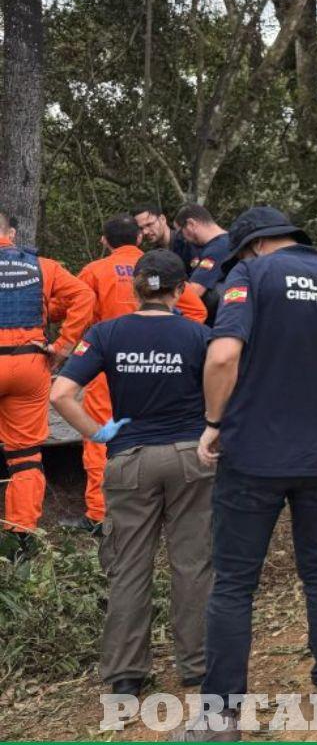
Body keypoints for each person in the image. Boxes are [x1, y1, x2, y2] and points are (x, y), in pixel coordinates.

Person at [176, 207, 317, 741]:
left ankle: (220, 718)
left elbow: (222, 358)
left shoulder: (250, 276)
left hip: (255, 455)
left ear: (251, 247)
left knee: (235, 584)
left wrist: (213, 422)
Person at [51, 250, 214, 697]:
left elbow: (62, 393)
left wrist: (98, 434)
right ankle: (197, 667)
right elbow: (227, 382)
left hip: (130, 459)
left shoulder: (107, 333)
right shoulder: (199, 336)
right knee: (193, 563)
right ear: (181, 291)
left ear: (133, 288)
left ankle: (125, 676)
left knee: (128, 567)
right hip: (190, 457)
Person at [69, 216, 207, 533]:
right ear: (139, 239)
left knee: (101, 440)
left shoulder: (95, 271)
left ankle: (100, 515)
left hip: (108, 368)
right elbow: (197, 312)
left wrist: (69, 347)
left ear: (104, 240)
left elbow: (77, 309)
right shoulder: (164, 272)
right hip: (165, 367)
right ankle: (163, 512)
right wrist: (175, 341)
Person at [0, 211, 94, 555]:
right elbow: (84, 297)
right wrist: (62, 347)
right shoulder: (42, 266)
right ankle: (20, 539)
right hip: (29, 363)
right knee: (25, 455)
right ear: (9, 232)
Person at [176, 204, 230, 322]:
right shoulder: (209, 246)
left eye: (181, 232)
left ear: (191, 224)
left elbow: (195, 291)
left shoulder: (219, 248)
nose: (183, 238)